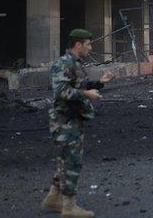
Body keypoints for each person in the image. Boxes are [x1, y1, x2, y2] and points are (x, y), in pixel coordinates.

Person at [42, 29, 115, 218]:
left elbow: (79, 86)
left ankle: (53, 199)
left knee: (65, 161)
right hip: (64, 121)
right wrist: (86, 94)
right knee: (72, 163)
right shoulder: (63, 63)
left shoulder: (75, 64)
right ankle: (69, 207)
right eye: (88, 44)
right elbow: (61, 92)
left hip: (73, 119)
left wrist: (99, 83)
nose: (90, 47)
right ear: (78, 45)